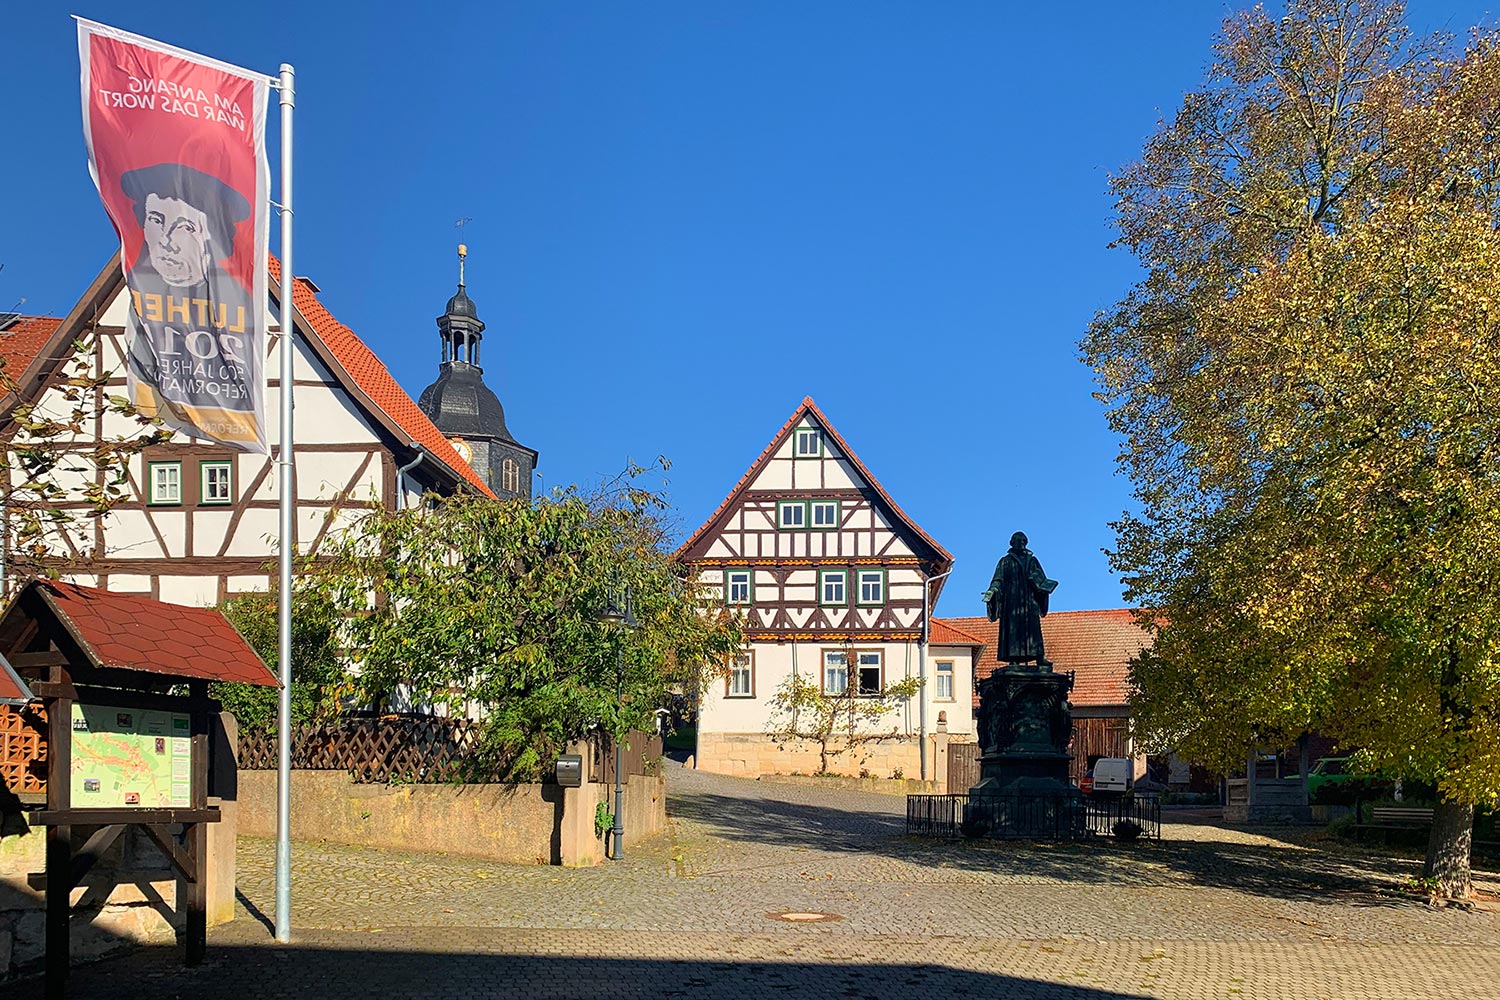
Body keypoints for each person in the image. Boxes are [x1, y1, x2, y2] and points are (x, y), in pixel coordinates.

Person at [118, 162, 259, 443]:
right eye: (156, 220)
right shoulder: (137, 294)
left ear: (213, 237)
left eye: (184, 227)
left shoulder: (242, 299)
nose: (166, 240)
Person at [983, 531, 1059, 665]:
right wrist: (992, 590)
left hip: (1029, 601)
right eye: (1018, 541)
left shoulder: (1032, 560)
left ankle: (1039, 657)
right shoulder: (1005, 561)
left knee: (1034, 629)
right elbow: (998, 580)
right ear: (1012, 543)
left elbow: (1041, 578)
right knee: (1013, 629)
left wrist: (1044, 587)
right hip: (1012, 602)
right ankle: (1013, 659)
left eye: (1024, 541)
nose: (1022, 544)